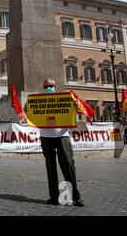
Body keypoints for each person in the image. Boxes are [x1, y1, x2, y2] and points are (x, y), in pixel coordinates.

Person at [39, 78, 84, 207]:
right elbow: (31, 115)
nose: (48, 88)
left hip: (62, 135)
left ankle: (75, 196)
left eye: (51, 85)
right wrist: (27, 108)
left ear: (55, 86)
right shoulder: (38, 100)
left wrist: (75, 105)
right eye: (46, 86)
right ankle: (54, 196)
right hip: (45, 135)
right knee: (50, 167)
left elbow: (75, 111)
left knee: (68, 165)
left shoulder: (66, 99)